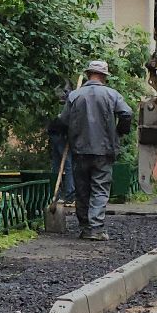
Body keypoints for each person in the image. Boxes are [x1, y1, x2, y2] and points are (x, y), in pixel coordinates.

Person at [62, 60, 132, 241]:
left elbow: (63, 120)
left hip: (79, 149)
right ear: (104, 76)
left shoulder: (75, 96)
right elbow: (127, 113)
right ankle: (96, 228)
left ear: (88, 74)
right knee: (100, 189)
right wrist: (120, 131)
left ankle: (85, 228)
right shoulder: (111, 94)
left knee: (82, 189)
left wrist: (70, 133)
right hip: (104, 150)